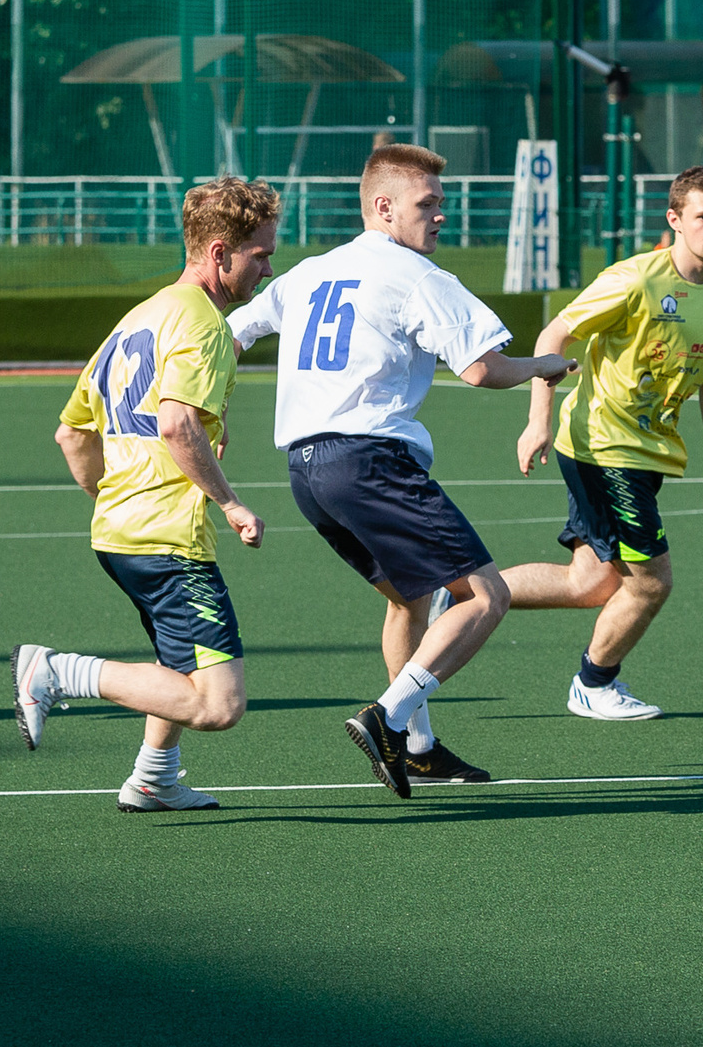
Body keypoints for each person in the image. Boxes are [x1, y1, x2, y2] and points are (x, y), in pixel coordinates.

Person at [228, 142, 570, 797]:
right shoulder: (418, 277)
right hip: (371, 460)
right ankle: (387, 717)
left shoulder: (308, 273)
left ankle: (417, 746)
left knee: (413, 600)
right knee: (485, 596)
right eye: (428, 203)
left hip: (307, 472)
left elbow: (235, 332)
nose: (441, 215)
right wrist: (539, 368)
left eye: (441, 202)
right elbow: (481, 369)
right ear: (384, 207)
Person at [15, 177, 278, 812]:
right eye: (260, 254)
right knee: (220, 704)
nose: (269, 267)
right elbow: (177, 423)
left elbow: (71, 435)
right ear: (219, 253)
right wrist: (230, 502)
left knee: (179, 663)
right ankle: (55, 672)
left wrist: (115, 498)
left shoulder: (137, 318)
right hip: (167, 536)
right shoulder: (205, 325)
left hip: (120, 532)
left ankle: (154, 777)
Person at [498, 165, 703, 721]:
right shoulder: (636, 279)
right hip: (604, 447)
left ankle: (465, 592)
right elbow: (554, 335)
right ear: (674, 220)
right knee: (651, 584)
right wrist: (538, 419)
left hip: (648, 451)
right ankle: (594, 683)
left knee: (592, 582)